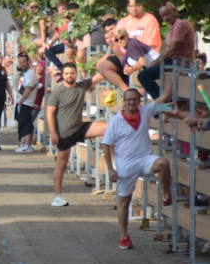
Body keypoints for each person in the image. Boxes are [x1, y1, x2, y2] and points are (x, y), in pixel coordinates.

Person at [101, 86, 173, 250]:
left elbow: (162, 101)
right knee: (124, 201)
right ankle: (124, 236)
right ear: (124, 102)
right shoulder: (116, 121)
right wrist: (110, 169)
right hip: (125, 164)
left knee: (163, 163)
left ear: (140, 101)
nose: (132, 102)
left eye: (135, 99)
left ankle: (166, 192)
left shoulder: (145, 111)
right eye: (129, 99)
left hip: (144, 158)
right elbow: (106, 145)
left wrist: (173, 107)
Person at [45, 62, 107, 207]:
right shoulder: (57, 91)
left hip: (80, 127)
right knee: (61, 164)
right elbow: (50, 113)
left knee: (108, 128)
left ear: (76, 73)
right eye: (67, 73)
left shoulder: (81, 86)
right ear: (62, 75)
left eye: (72, 73)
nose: (69, 76)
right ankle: (57, 196)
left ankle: (114, 161)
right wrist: (53, 134)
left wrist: (107, 59)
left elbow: (101, 75)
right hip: (65, 133)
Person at [14, 51, 40, 153]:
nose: (21, 64)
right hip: (23, 102)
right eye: (20, 62)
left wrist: (21, 101)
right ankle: (23, 144)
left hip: (26, 103)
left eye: (23, 62)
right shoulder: (24, 74)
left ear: (27, 62)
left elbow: (28, 89)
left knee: (26, 124)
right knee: (23, 124)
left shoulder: (30, 74)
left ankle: (27, 145)